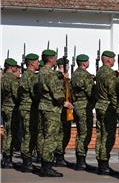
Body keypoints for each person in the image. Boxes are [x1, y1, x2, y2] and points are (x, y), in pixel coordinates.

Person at [37, 49, 73, 177]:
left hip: (43, 106)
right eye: (55, 58)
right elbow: (56, 91)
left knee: (43, 136)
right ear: (51, 59)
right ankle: (46, 168)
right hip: (51, 109)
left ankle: (44, 165)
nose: (55, 60)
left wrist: (61, 75)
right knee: (51, 138)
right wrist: (64, 102)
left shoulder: (41, 71)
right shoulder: (50, 74)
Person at [95, 50, 119, 175]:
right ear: (108, 60)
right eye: (113, 59)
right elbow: (113, 92)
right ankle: (104, 165)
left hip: (99, 105)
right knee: (108, 137)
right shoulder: (109, 73)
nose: (114, 61)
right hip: (108, 107)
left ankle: (100, 163)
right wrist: (117, 108)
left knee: (100, 136)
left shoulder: (99, 72)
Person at [71, 54, 95, 170]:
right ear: (85, 63)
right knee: (85, 135)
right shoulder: (85, 75)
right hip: (85, 105)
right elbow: (91, 92)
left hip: (77, 104)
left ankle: (80, 160)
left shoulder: (75, 74)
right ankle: (81, 162)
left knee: (80, 134)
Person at [18, 53, 40, 172]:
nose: (38, 63)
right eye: (37, 61)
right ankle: (26, 163)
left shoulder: (25, 75)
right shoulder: (31, 76)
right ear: (31, 63)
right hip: (29, 108)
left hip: (25, 107)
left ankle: (27, 161)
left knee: (28, 134)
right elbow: (35, 94)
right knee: (29, 135)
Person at [1, 58, 20, 168]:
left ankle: (6, 158)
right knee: (11, 134)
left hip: (4, 107)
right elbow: (16, 95)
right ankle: (7, 159)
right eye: (15, 67)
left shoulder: (2, 79)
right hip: (12, 109)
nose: (16, 68)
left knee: (7, 133)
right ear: (11, 67)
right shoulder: (12, 79)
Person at [53, 58, 72, 167]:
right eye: (68, 65)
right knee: (61, 134)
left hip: (67, 110)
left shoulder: (65, 78)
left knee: (66, 134)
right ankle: (58, 157)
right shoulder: (57, 77)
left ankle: (60, 155)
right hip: (60, 110)